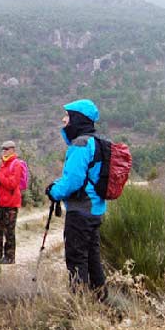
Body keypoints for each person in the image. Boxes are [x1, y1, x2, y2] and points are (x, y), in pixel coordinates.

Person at [46, 99, 107, 299]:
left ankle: (79, 306)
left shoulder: (81, 144)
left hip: (80, 210)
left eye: (68, 116)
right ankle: (101, 301)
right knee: (93, 259)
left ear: (78, 119)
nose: (64, 120)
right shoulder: (96, 142)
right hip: (95, 210)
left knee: (76, 259)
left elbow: (73, 180)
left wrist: (54, 191)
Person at [0, 140, 27, 264]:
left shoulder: (15, 164)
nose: (4, 151)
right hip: (3, 202)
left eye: (7, 149)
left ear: (13, 149)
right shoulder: (4, 163)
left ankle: (10, 257)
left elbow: (13, 184)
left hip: (11, 203)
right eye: (3, 149)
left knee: (9, 231)